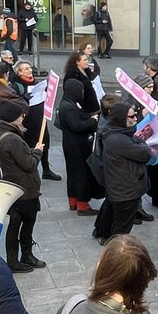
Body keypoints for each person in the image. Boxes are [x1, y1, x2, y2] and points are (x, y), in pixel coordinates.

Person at [0, 100, 46, 272]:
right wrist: (37, 151)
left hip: (14, 187)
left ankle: (16, 258)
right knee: (25, 223)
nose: (23, 117)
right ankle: (23, 257)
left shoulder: (2, 134)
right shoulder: (12, 139)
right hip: (24, 189)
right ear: (13, 118)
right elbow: (29, 164)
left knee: (16, 223)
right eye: (20, 115)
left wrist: (30, 151)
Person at [101, 101, 152, 239]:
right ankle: (115, 255)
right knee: (121, 231)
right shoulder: (119, 139)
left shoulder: (116, 133)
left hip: (122, 188)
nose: (136, 118)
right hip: (125, 191)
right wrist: (143, 144)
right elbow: (147, 154)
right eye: (132, 116)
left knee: (116, 223)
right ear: (121, 118)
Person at [59, 78, 101, 216]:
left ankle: (73, 201)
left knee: (73, 173)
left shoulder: (67, 103)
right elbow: (77, 125)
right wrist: (92, 121)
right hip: (77, 146)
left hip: (71, 144)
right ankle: (83, 204)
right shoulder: (69, 107)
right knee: (82, 173)